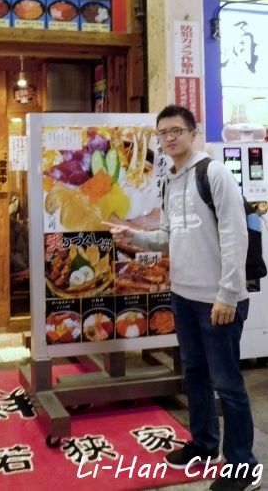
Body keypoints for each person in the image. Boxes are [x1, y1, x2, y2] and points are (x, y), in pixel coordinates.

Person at [106, 104, 260, 491]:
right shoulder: (170, 181)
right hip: (183, 295)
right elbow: (169, 236)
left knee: (227, 383)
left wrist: (228, 293)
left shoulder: (214, 173)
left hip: (218, 299)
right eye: (163, 133)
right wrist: (133, 236)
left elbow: (235, 234)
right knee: (194, 374)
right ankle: (205, 445)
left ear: (193, 133)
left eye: (176, 130)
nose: (169, 138)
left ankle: (243, 466)